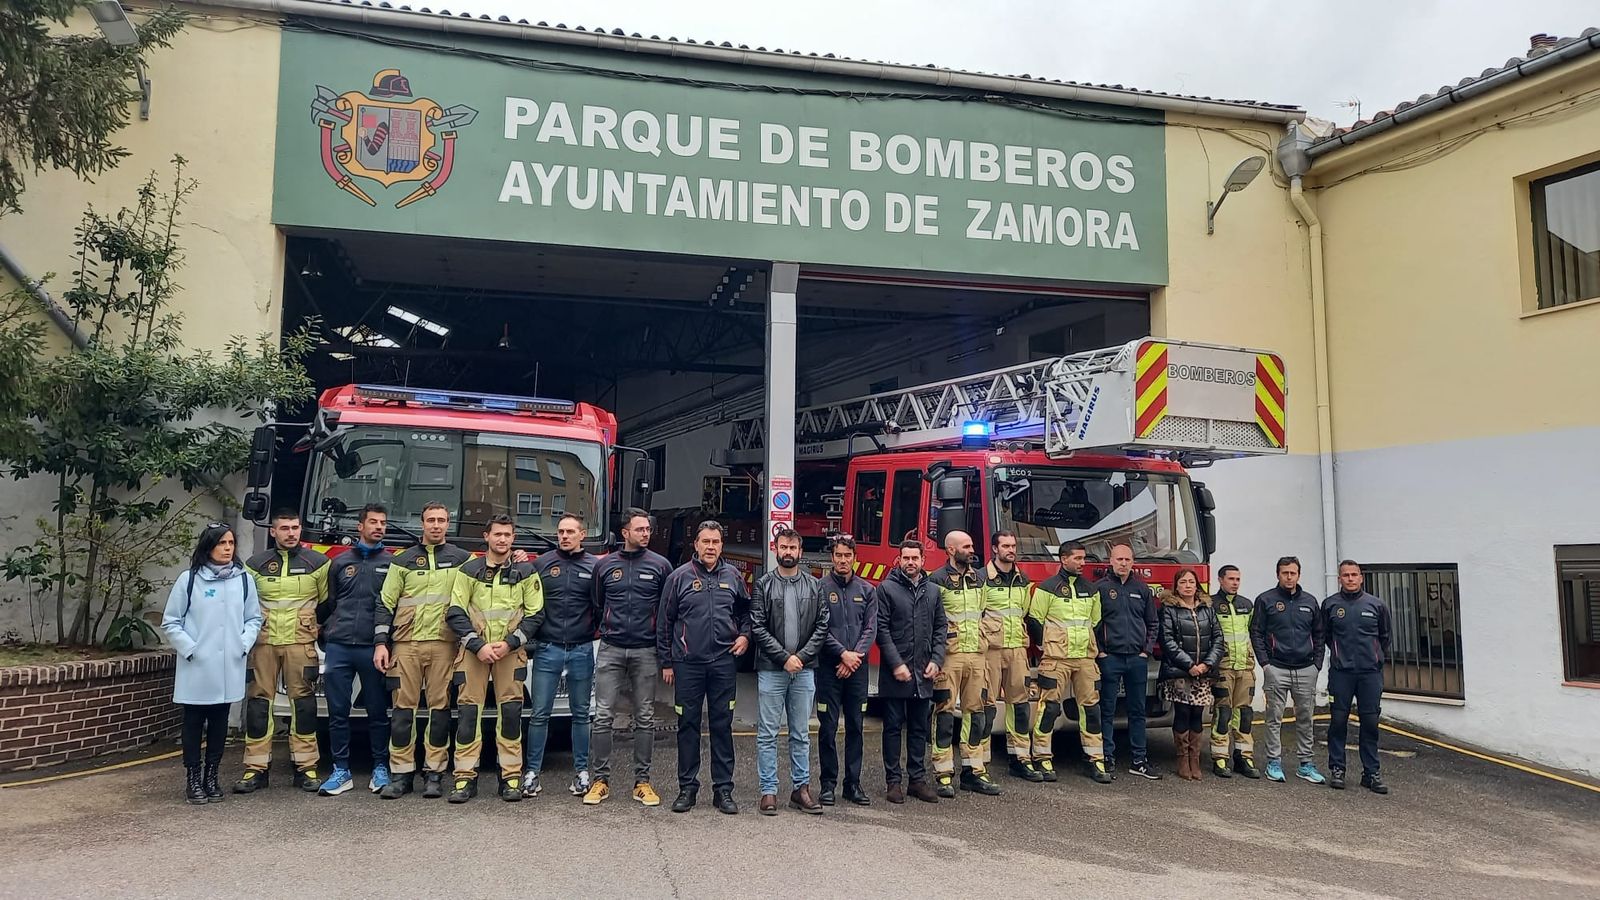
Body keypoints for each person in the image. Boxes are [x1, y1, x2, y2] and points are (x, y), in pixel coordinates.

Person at [374, 501, 472, 800]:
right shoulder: (402, 560)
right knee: (403, 712)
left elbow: (488, 573)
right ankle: (401, 774)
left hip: (445, 645)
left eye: (442, 520)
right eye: (431, 520)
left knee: (440, 710)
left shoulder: (462, 560)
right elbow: (385, 603)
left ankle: (434, 773)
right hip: (405, 647)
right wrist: (381, 643)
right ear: (422, 523)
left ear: (448, 523)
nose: (436, 525)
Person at [444, 515, 545, 803]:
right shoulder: (468, 571)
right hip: (475, 653)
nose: (503, 540)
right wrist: (477, 645)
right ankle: (464, 778)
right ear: (486, 536)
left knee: (511, 715)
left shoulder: (526, 571)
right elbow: (455, 611)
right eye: (497, 534)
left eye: (508, 535)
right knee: (468, 715)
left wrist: (510, 643)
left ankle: (511, 777)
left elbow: (536, 613)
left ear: (514, 539)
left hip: (510, 653)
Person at [162, 523, 263, 804]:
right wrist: (190, 649)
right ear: (208, 547)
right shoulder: (189, 580)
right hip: (198, 666)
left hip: (228, 665)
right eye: (222, 543)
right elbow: (171, 621)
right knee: (194, 722)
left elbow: (253, 618)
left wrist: (243, 645)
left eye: (231, 543)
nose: (228, 548)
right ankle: (193, 778)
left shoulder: (243, 580)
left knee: (220, 723)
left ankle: (212, 776)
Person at [658, 520, 750, 815]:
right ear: (695, 545)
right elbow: (665, 621)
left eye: (716, 542)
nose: (711, 547)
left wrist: (745, 636)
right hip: (688, 665)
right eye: (705, 542)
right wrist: (667, 662)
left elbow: (748, 612)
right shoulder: (679, 577)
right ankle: (687, 788)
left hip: (723, 663)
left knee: (722, 726)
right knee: (688, 726)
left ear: (721, 545)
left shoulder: (733, 576)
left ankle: (723, 789)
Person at [237, 510, 331, 793]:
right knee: (258, 705)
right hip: (263, 645)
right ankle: (255, 769)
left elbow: (327, 605)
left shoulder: (318, 564)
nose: (291, 533)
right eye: (284, 528)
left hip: (301, 645)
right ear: (273, 532)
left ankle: (306, 767)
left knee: (303, 705)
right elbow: (244, 605)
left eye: (295, 527)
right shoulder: (255, 565)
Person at [586, 508, 672, 807]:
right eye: (639, 529)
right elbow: (597, 602)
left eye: (648, 529)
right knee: (603, 715)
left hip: (645, 650)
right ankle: (600, 780)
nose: (645, 534)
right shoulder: (606, 566)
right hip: (611, 648)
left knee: (645, 717)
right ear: (625, 533)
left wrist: (665, 653)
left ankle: (642, 782)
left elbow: (666, 610)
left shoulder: (661, 566)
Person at [750, 528, 830, 815]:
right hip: (772, 669)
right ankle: (768, 791)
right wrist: (785, 658)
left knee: (801, 732)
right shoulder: (763, 585)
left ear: (800, 550)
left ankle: (801, 789)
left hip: (805, 670)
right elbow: (757, 626)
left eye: (792, 547)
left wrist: (802, 657)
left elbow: (822, 625)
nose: (788, 552)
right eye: (783, 547)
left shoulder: (814, 585)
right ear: (775, 548)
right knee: (768, 733)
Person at [316, 503, 393, 796]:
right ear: (360, 526)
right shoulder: (338, 563)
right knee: (338, 712)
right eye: (373, 522)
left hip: (372, 648)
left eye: (383, 523)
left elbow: (391, 606)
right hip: (339, 646)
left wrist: (384, 642)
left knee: (377, 711)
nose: (379, 527)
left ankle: (380, 768)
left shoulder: (392, 563)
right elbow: (330, 603)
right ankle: (340, 770)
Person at [524, 513, 599, 799]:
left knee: (581, 714)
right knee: (539, 713)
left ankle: (581, 772)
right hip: (548, 648)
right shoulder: (541, 564)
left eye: (570, 532)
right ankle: (532, 773)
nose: (565, 536)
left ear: (582, 535)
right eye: (561, 532)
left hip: (581, 649)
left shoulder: (596, 567)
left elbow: (603, 604)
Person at [1025, 540, 1111, 784]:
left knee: (1091, 710)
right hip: (1056, 659)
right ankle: (1042, 756)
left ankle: (1094, 759)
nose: (1082, 563)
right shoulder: (1048, 587)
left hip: (1085, 659)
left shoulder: (1091, 589)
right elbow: (1035, 619)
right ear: (1063, 559)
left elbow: (1095, 622)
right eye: (1077, 559)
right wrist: (1047, 646)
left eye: (1084, 559)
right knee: (1049, 707)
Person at [929, 530, 999, 797]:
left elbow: (983, 613)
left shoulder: (978, 578)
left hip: (977, 655)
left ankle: (973, 771)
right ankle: (943, 774)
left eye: (971, 545)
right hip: (950, 656)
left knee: (976, 714)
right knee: (945, 715)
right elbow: (932, 619)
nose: (972, 550)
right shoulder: (937, 580)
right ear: (951, 550)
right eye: (966, 546)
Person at [876, 540, 946, 804]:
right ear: (899, 560)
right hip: (897, 672)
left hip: (924, 672)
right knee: (893, 728)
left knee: (919, 729)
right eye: (905, 558)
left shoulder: (934, 592)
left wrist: (937, 660)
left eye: (914, 558)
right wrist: (896, 664)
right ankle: (893, 782)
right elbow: (881, 630)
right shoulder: (886, 589)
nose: (910, 563)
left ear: (922, 560)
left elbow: (941, 629)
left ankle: (917, 780)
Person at [1251, 556, 1327, 785]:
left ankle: (1306, 764)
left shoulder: (1310, 601)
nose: (1289, 577)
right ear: (1278, 574)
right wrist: (1265, 664)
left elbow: (1319, 635)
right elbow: (1257, 632)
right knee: (1274, 717)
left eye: (1293, 573)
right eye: (1285, 573)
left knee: (1305, 718)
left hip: (1306, 669)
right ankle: (1274, 762)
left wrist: (1317, 665)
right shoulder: (1266, 600)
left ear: (1299, 575)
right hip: (1277, 668)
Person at [815, 534, 877, 806]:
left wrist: (854, 657)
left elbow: (871, 628)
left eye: (847, 556)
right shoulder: (819, 588)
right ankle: (827, 784)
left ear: (855, 558)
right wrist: (842, 654)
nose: (843, 560)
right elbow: (818, 628)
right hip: (828, 669)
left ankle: (853, 784)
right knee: (827, 729)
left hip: (857, 670)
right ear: (832, 558)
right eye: (838, 555)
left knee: (856, 728)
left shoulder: (867, 590)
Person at [1323, 560, 1392, 794]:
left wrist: (1375, 659)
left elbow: (1385, 637)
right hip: (1341, 673)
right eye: (1346, 575)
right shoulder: (1330, 605)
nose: (1350, 579)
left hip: (1369, 674)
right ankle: (1337, 769)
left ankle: (1371, 773)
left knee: (1370, 723)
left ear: (1361, 577)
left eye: (1354, 574)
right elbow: (1325, 636)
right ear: (1339, 579)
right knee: (1338, 722)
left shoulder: (1376, 605)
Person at [1096, 542, 1161, 780]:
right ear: (1110, 561)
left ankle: (1139, 759)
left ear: (1133, 562)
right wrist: (1101, 651)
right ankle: (1106, 756)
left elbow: (1153, 623)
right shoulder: (1100, 589)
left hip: (1137, 659)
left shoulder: (1142, 589)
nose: (1123, 563)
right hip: (1110, 658)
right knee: (1107, 709)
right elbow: (1093, 623)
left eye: (1127, 560)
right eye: (1119, 559)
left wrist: (1145, 650)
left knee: (1137, 710)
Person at [1158, 568, 1225, 781]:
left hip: (1203, 672)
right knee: (1183, 713)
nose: (1188, 585)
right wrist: (1189, 665)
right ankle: (1182, 759)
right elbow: (1167, 640)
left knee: (1197, 715)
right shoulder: (1169, 608)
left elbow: (1218, 638)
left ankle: (1195, 759)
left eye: (1191, 582)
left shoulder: (1207, 608)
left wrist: (1207, 664)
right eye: (1183, 582)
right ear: (1176, 586)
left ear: (1197, 585)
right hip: (1181, 671)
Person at [982, 531, 1035, 782]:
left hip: (1017, 651)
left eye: (1013, 545)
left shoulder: (1023, 579)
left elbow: (1023, 612)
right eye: (1005, 546)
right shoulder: (981, 578)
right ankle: (979, 763)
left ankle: (1020, 759)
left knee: (1020, 706)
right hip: (990, 651)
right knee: (985, 706)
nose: (1010, 550)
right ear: (995, 549)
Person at [1209, 565, 1260, 778]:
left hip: (1245, 668)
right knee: (1223, 713)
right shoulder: (1211, 604)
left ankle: (1243, 757)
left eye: (1238, 579)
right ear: (1220, 580)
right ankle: (1220, 758)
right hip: (1223, 667)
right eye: (1230, 579)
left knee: (1245, 714)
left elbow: (1253, 633)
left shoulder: (1246, 605)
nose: (1235, 583)